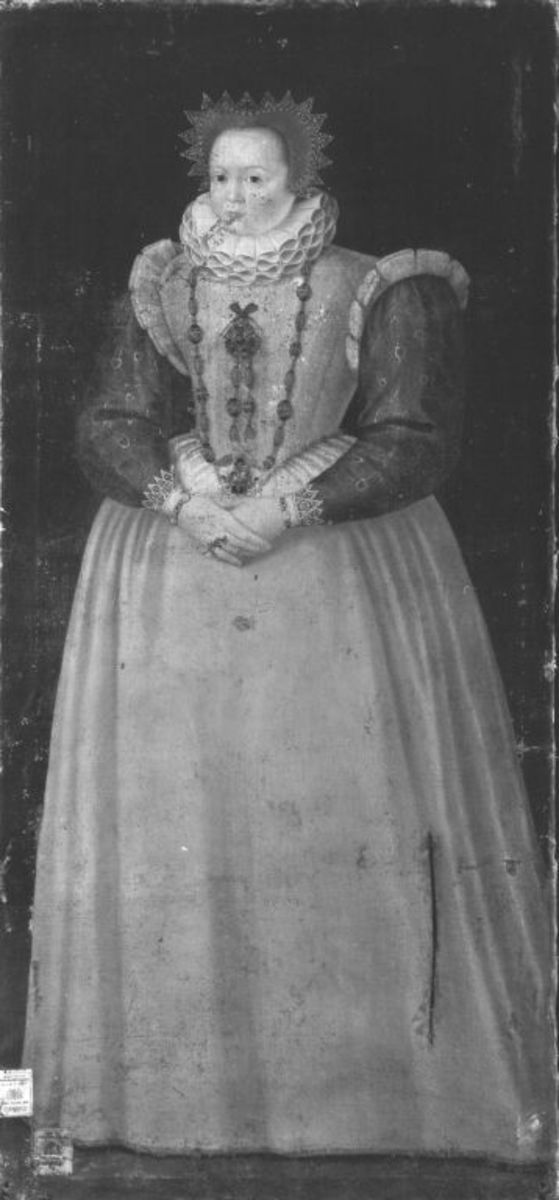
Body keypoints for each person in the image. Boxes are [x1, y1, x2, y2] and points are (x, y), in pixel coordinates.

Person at [23, 92, 554, 1160]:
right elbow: (110, 420)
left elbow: (413, 434)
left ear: (299, 178)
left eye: (256, 176)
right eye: (221, 175)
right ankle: (159, 1105)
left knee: (338, 804)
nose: (236, 193)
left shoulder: (377, 283)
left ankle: (369, 1102)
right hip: (173, 558)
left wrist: (290, 503)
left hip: (334, 559)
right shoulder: (161, 283)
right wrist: (182, 498)